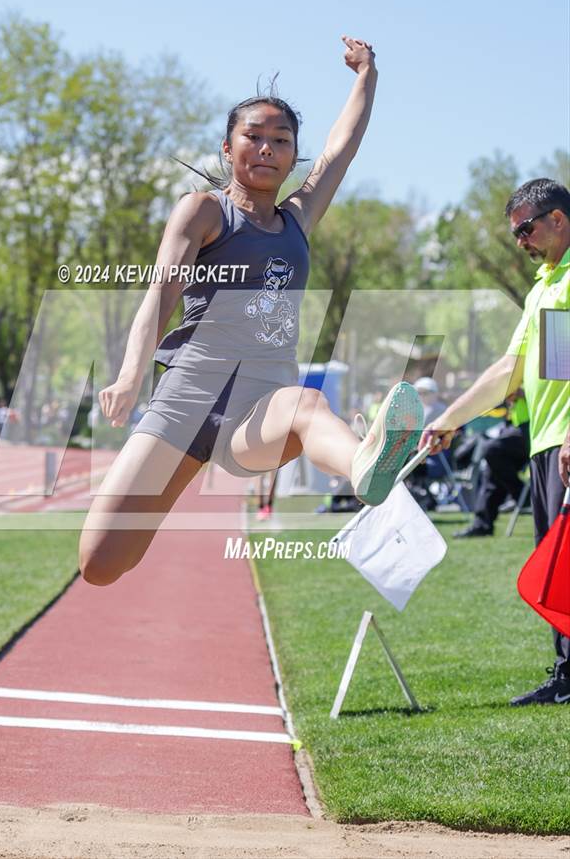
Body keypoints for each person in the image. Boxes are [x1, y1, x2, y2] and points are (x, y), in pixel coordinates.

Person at [78, 35, 424, 588]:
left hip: (260, 406)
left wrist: (367, 74)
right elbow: (159, 297)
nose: (267, 148)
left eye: (280, 140)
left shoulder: (298, 219)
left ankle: (365, 465)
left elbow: (342, 147)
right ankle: (167, 493)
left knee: (307, 404)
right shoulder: (203, 212)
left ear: (293, 155)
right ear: (227, 147)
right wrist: (128, 374)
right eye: (254, 137)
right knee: (100, 564)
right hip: (187, 398)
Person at [421, 178, 570, 706]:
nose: (521, 240)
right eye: (514, 234)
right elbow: (510, 371)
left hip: (566, 442)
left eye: (526, 228)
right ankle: (566, 675)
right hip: (546, 445)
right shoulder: (544, 287)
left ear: (558, 219)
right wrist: (451, 420)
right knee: (557, 567)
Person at [454, 391, 530, 538]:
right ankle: (482, 524)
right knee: (492, 470)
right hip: (515, 426)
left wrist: (521, 393)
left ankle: (522, 494)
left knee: (491, 450)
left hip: (534, 428)